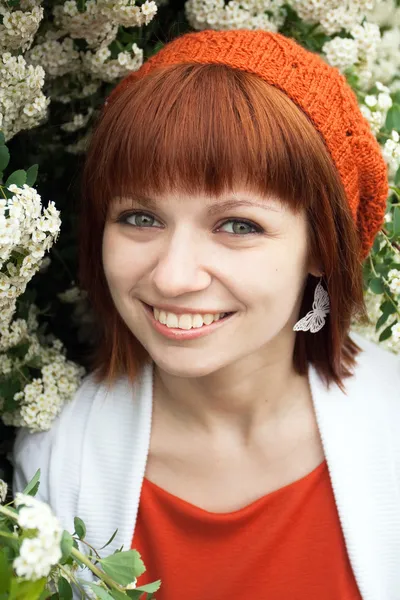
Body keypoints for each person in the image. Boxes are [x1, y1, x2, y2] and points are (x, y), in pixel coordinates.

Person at [12, 28, 400, 599]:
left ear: (321, 246)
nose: (173, 276)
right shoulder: (56, 456)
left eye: (237, 226)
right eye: (141, 217)